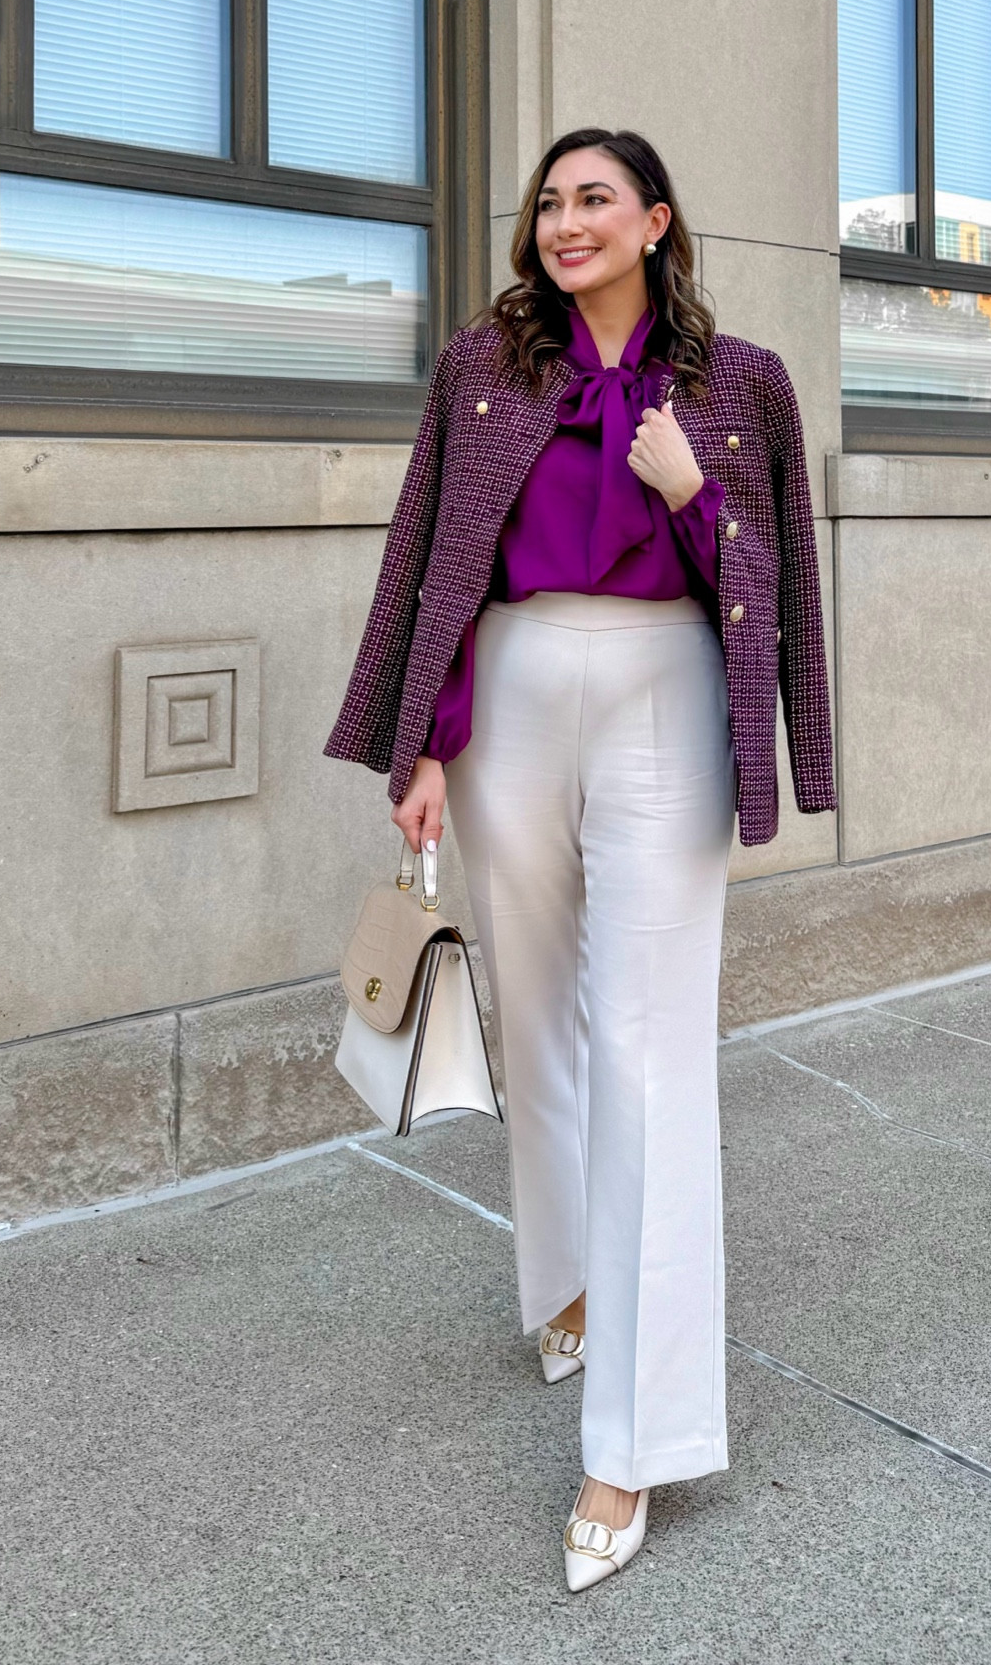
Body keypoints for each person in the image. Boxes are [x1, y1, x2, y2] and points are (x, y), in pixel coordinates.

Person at [326, 127, 834, 1590]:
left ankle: (637, 1443)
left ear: (657, 220)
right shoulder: (483, 366)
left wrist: (692, 492)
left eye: (594, 199)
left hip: (667, 694)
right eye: (548, 203)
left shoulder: (741, 386)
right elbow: (428, 552)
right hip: (512, 698)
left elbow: (778, 579)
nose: (564, 222)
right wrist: (418, 741)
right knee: (535, 1009)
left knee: (653, 1049)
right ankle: (565, 1291)